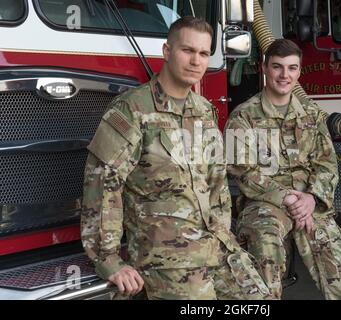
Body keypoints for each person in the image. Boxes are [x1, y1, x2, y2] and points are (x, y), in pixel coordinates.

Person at [81, 16, 271, 300]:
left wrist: (224, 234)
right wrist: (107, 258)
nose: (196, 61)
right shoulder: (132, 110)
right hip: (166, 256)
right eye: (188, 50)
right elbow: (103, 183)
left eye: (204, 53)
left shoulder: (204, 110)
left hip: (215, 245)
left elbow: (216, 181)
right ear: (167, 52)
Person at [225, 39, 341, 300]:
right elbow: (243, 172)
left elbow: (327, 163)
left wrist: (311, 199)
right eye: (277, 67)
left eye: (291, 68)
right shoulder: (242, 117)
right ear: (264, 68)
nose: (284, 75)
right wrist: (288, 198)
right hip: (264, 204)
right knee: (266, 245)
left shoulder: (311, 114)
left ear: (299, 71)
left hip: (310, 203)